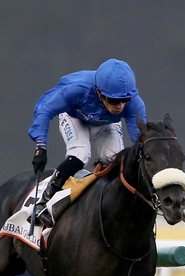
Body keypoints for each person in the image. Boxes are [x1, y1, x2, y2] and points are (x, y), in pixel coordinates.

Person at [27, 58, 147, 227]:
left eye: (125, 100)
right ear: (98, 92)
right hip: (74, 118)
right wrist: (41, 145)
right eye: (113, 100)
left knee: (116, 161)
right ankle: (44, 201)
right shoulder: (77, 89)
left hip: (107, 124)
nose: (120, 106)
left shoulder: (134, 103)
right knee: (80, 154)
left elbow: (139, 142)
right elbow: (45, 108)